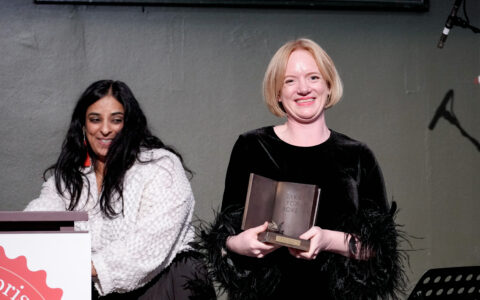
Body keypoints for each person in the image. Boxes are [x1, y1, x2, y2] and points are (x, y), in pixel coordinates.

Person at [199, 39, 406, 300]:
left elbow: (380, 248)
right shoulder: (251, 147)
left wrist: (327, 240)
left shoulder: (357, 155)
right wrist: (239, 244)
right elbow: (225, 235)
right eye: (290, 81)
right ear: (277, 93)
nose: (304, 88)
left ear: (328, 86)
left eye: (313, 77)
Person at [25, 80, 213, 299]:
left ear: (129, 124)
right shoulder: (68, 179)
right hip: (97, 288)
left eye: (116, 120)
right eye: (95, 119)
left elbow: (150, 242)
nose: (105, 129)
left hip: (167, 286)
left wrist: (82, 266)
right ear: (83, 126)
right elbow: (37, 222)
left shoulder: (161, 166)